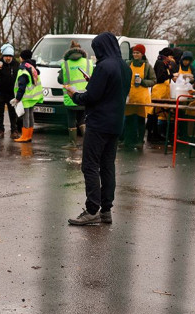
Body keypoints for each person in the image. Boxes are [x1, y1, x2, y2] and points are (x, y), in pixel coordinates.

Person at [66, 32, 131, 226]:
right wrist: (93, 83)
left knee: (90, 165)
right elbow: (113, 92)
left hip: (99, 124)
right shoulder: (124, 67)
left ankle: (92, 209)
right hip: (116, 124)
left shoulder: (104, 66)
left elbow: (91, 97)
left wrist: (74, 94)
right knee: (107, 166)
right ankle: (106, 211)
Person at [57, 41, 92, 149]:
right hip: (85, 96)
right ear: (80, 49)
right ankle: (88, 143)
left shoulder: (65, 63)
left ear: (69, 50)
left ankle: (72, 143)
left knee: (71, 119)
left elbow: (61, 80)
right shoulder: (88, 62)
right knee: (82, 119)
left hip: (71, 95)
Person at [123, 44, 156, 149]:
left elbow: (153, 80)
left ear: (142, 54)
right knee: (129, 120)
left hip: (142, 97)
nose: (135, 54)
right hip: (130, 96)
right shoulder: (128, 64)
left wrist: (142, 82)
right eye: (134, 52)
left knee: (141, 120)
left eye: (138, 53)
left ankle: (140, 142)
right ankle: (128, 141)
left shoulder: (147, 66)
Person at [0, 43, 21, 139]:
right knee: (0, 113)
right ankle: (0, 130)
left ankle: (14, 131)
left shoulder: (16, 64)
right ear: (3, 56)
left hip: (12, 93)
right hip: (0, 93)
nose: (8, 58)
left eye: (10, 56)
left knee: (12, 113)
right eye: (6, 56)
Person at [12, 50, 43, 143]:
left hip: (26, 97)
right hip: (33, 96)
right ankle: (29, 135)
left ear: (22, 58)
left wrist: (18, 98)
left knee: (26, 116)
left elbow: (22, 86)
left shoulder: (23, 69)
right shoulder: (32, 67)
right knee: (30, 116)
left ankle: (25, 136)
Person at [147, 47, 176, 143]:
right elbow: (160, 77)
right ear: (167, 56)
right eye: (171, 56)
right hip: (158, 91)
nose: (172, 58)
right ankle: (151, 134)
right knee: (153, 112)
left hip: (163, 92)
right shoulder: (160, 63)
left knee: (158, 112)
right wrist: (172, 76)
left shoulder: (165, 64)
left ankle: (156, 134)